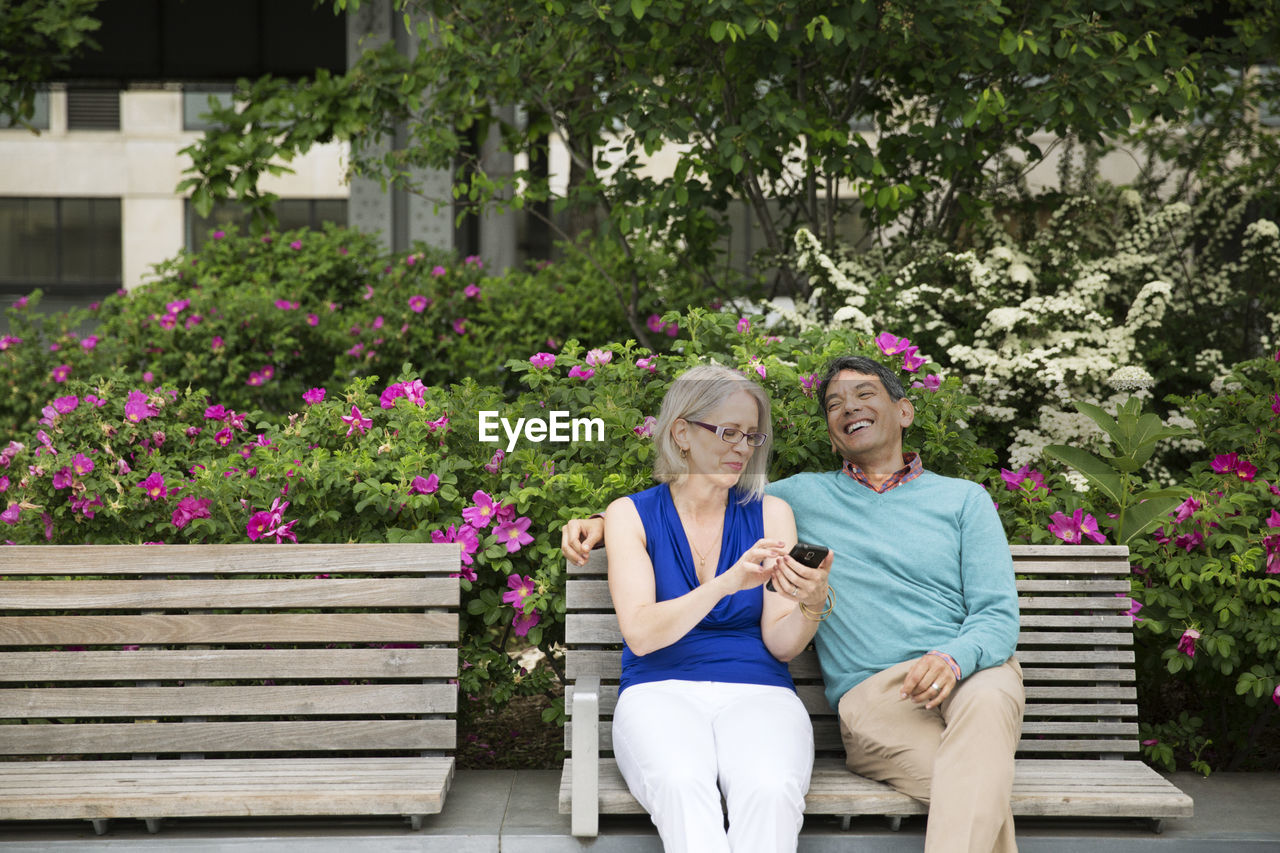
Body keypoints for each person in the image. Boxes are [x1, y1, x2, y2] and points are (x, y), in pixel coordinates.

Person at [564, 355, 1024, 853]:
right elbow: (683, 501)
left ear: (905, 412)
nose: (849, 408)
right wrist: (608, 522)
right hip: (879, 697)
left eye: (865, 395)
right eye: (834, 404)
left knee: (982, 723)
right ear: (831, 434)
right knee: (976, 788)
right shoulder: (801, 498)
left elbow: (996, 615)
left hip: (967, 673)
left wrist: (950, 657)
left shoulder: (963, 500)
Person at [601, 363, 833, 853]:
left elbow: (780, 642)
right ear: (681, 432)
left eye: (751, 435)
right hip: (658, 690)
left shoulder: (772, 514)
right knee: (684, 785)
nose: (742, 448)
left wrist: (810, 604)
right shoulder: (630, 515)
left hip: (759, 692)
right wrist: (728, 583)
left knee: (769, 790)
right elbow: (641, 634)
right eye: (728, 432)